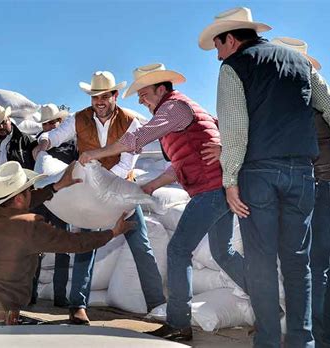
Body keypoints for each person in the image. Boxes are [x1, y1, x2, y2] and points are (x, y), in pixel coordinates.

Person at [198, 7, 330, 347]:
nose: (218, 55)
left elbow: (236, 130)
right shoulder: (300, 63)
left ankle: (269, 341)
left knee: (261, 262)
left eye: (218, 47)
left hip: (259, 175)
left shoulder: (234, 67)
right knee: (299, 263)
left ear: (230, 38)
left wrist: (230, 180)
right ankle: (303, 342)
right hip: (302, 175)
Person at [78, 63, 246, 342]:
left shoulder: (174, 108)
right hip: (215, 187)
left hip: (212, 188)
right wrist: (151, 185)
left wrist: (96, 153)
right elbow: (181, 161)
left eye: (144, 94)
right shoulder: (176, 115)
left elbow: (137, 139)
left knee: (179, 250)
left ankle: (179, 323)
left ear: (161, 88)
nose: (142, 101)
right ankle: (269, 304)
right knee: (223, 252)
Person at [32, 70, 165, 325]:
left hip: (121, 193)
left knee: (141, 245)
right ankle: (77, 306)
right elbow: (56, 135)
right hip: (89, 195)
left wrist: (100, 185)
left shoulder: (130, 122)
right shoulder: (79, 118)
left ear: (115, 96)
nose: (99, 102)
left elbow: (126, 164)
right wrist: (44, 142)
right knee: (86, 246)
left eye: (104, 96)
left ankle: (157, 304)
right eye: (95, 97)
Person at [0, 161, 135, 328]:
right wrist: (113, 232)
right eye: (29, 190)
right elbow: (76, 242)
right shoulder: (29, 227)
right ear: (19, 198)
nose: (31, 193)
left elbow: (18, 203)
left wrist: (55, 187)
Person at [272, 36, 330, 348]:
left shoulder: (302, 96)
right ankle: (326, 343)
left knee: (311, 270)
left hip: (327, 187)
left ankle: (307, 342)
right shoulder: (308, 96)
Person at [32, 103, 77, 307]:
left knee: (63, 249)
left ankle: (60, 297)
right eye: (46, 123)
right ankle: (29, 294)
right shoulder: (37, 145)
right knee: (34, 249)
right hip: (41, 202)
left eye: (53, 122)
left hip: (63, 203)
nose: (49, 126)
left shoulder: (71, 144)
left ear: (61, 122)